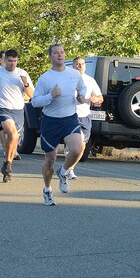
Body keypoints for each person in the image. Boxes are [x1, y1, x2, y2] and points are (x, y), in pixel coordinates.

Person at [31, 44, 87, 205]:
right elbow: (34, 102)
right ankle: (47, 190)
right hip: (51, 121)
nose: (60, 55)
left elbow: (82, 88)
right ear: (50, 56)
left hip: (70, 118)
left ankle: (63, 172)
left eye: (62, 52)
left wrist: (81, 96)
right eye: (56, 53)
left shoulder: (74, 74)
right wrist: (51, 95)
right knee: (50, 159)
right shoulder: (45, 78)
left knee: (78, 149)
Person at [0, 49, 34, 182]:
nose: (12, 64)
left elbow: (31, 94)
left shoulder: (22, 74)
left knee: (15, 139)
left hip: (18, 110)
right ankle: (8, 163)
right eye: (10, 61)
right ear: (4, 61)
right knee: (12, 133)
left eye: (15, 61)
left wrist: (25, 84)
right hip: (2, 109)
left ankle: (7, 163)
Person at [69, 56, 104, 179]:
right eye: (77, 64)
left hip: (85, 116)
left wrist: (95, 99)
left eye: (82, 64)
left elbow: (100, 97)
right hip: (71, 115)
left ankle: (70, 167)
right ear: (73, 66)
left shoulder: (90, 80)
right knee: (75, 144)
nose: (80, 66)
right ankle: (69, 169)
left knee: (82, 145)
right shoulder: (68, 79)